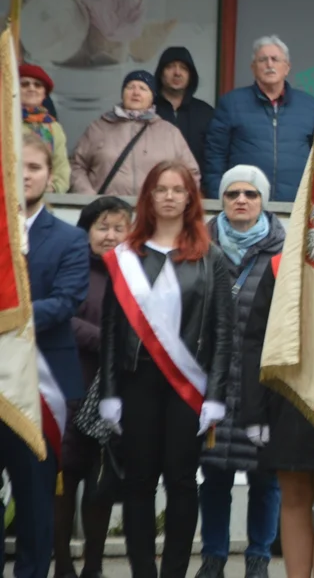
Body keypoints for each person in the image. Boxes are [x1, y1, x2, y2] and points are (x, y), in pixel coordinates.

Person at [98, 161, 233, 578]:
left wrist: (214, 394)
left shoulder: (211, 258)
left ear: (191, 197)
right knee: (138, 482)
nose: (170, 196)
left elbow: (223, 331)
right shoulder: (125, 257)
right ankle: (143, 571)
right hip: (137, 382)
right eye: (161, 189)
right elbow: (110, 331)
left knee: (180, 480)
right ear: (149, 197)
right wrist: (109, 393)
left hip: (187, 387)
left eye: (178, 189)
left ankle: (174, 570)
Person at [0, 134, 89, 578]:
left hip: (41, 388)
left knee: (36, 502)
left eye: (33, 167)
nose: (25, 176)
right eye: (17, 168)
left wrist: (8, 316)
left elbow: (66, 301)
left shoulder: (70, 239)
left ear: (48, 175)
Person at [197, 166, 286, 578]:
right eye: (232, 193)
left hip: (261, 382)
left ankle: (258, 558)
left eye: (251, 193)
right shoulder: (199, 245)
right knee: (214, 473)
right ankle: (213, 555)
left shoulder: (282, 249)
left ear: (263, 200)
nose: (241, 200)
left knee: (265, 478)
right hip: (211, 379)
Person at [241, 262, 314, 578]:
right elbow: (255, 341)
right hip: (287, 396)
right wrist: (255, 410)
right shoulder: (280, 265)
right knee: (293, 494)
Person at [54, 197, 132, 578]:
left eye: (120, 228)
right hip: (70, 386)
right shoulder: (71, 267)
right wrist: (107, 341)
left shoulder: (137, 272)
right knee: (65, 481)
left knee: (101, 485)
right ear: (86, 231)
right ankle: (64, 564)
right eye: (103, 227)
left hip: (116, 395)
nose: (111, 236)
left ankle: (94, 567)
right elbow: (58, 316)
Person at [203, 35, 314, 201]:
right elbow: (214, 157)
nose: (269, 64)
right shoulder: (231, 103)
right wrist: (219, 197)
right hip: (243, 204)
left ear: (287, 67)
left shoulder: (309, 106)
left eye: (275, 59)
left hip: (296, 207)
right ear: (253, 67)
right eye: (263, 60)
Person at [70, 71, 200, 196]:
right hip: (108, 213)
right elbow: (76, 166)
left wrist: (175, 202)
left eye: (143, 88)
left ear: (152, 97)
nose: (136, 93)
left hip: (153, 213)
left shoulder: (170, 133)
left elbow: (191, 174)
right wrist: (89, 197)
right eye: (130, 87)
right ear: (122, 94)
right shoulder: (99, 128)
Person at [154, 46, 216, 177]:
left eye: (183, 68)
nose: (177, 73)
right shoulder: (149, 110)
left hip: (197, 189)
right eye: (170, 66)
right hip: (153, 188)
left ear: (191, 75)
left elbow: (214, 157)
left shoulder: (206, 112)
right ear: (161, 73)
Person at [20, 64, 71, 193]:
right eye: (25, 84)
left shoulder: (53, 127)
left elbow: (61, 167)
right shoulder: (5, 122)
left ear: (44, 94)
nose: (31, 88)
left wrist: (54, 188)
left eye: (37, 85)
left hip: (44, 198)